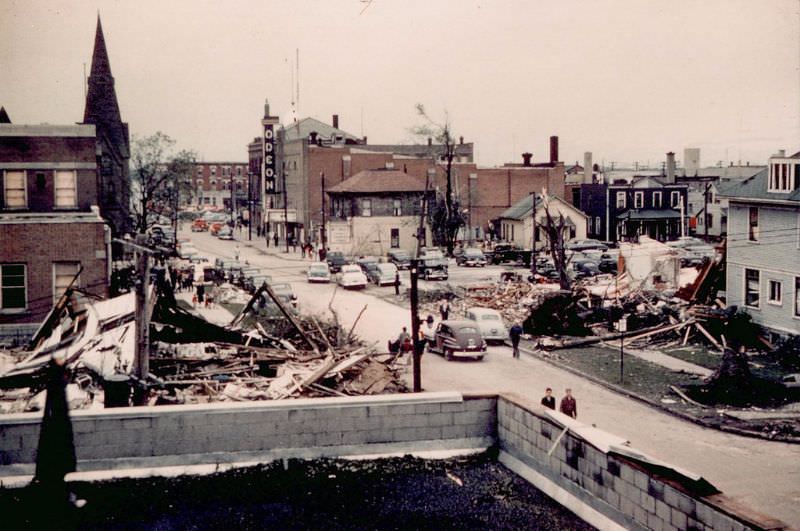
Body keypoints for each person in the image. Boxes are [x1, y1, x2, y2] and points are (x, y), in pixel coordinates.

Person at [34, 353, 85, 510]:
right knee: (58, 467)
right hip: (58, 438)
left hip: (54, 436)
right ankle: (62, 502)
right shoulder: (57, 392)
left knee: (54, 469)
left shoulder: (53, 389)